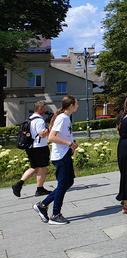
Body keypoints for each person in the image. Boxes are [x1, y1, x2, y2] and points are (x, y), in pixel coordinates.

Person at [33, 95, 78, 225]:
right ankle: (55, 215)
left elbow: (64, 135)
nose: (78, 106)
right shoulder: (62, 118)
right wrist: (69, 143)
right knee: (63, 184)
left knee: (68, 182)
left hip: (64, 155)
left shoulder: (65, 118)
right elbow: (51, 137)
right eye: (76, 104)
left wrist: (72, 143)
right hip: (60, 157)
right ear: (71, 105)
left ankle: (43, 205)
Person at [12, 101, 52, 198]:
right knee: (42, 168)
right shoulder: (39, 120)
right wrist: (50, 128)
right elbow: (42, 134)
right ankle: (39, 189)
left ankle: (19, 185)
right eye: (44, 108)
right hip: (40, 147)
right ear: (40, 108)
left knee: (35, 167)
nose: (45, 110)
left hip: (31, 147)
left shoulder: (30, 118)